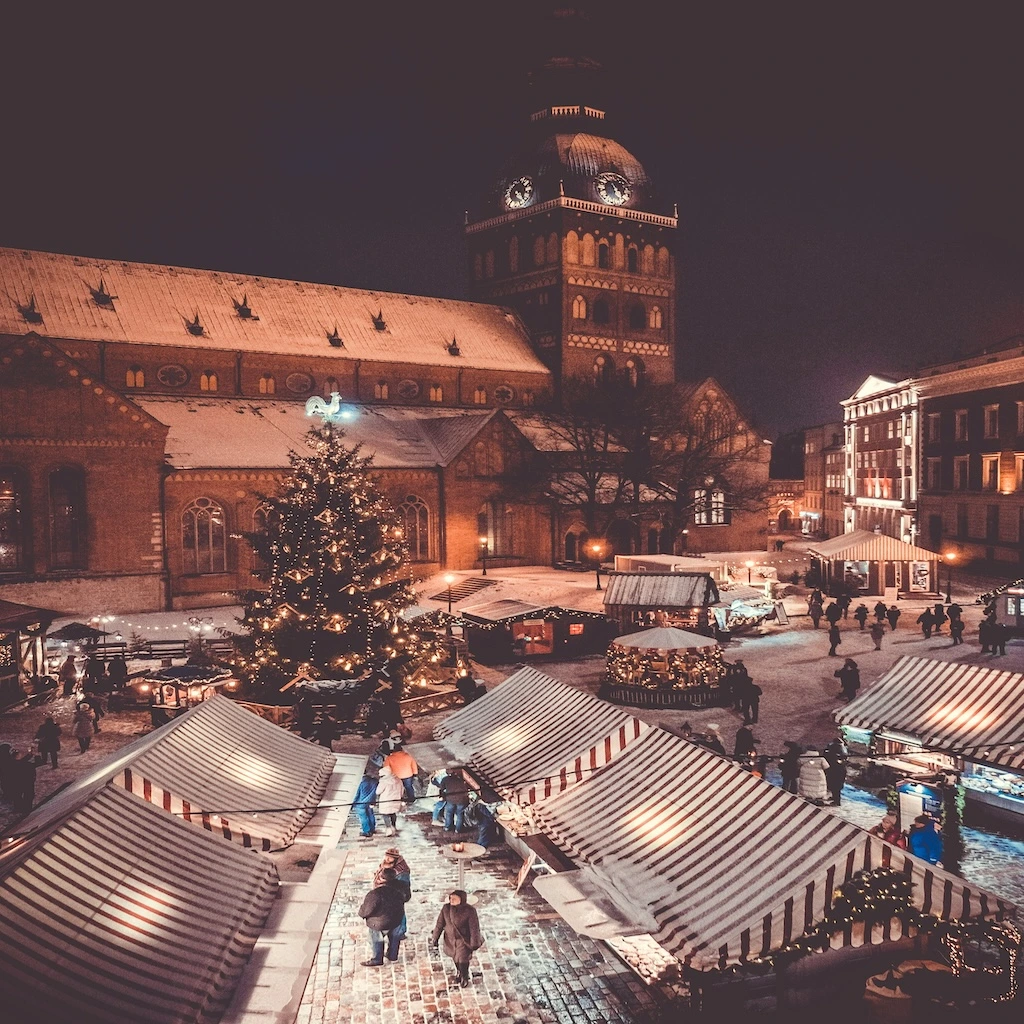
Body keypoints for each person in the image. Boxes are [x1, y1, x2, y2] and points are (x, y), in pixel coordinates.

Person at [358, 866, 410, 966]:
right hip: (396, 919)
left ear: (382, 878)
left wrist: (362, 914)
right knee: (395, 938)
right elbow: (406, 898)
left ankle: (377, 959)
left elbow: (367, 909)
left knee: (377, 940)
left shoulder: (375, 894)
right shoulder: (401, 887)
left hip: (379, 923)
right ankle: (392, 955)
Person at [431, 889, 483, 988]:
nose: (451, 900)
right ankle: (459, 970)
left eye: (454, 899)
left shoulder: (470, 911)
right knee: (455, 958)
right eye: (450, 898)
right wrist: (435, 937)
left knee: (462, 959)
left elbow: (474, 928)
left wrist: (474, 942)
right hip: (450, 940)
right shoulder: (446, 908)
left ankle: (464, 975)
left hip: (462, 940)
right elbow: (440, 924)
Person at [375, 847, 411, 940]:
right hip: (384, 893)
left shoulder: (402, 871)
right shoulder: (386, 864)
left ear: (395, 859)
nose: (387, 859)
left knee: (399, 912)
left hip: (395, 895)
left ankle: (400, 931)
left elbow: (403, 887)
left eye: (390, 857)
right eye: (386, 856)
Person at [439, 767, 473, 833]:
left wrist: (443, 797)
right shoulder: (462, 780)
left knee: (449, 813)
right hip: (462, 800)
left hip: (450, 799)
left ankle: (448, 827)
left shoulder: (445, 779)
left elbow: (441, 789)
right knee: (460, 814)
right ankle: (458, 829)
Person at [375, 765, 405, 838]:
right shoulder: (398, 779)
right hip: (396, 799)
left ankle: (388, 828)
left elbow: (378, 792)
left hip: (386, 800)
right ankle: (393, 826)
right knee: (393, 813)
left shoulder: (383, 782)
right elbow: (402, 789)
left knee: (385, 814)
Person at [353, 768, 379, 839]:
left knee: (363, 817)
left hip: (360, 803)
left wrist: (353, 803)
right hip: (371, 801)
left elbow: (356, 795)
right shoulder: (375, 781)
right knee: (371, 815)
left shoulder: (360, 783)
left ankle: (367, 831)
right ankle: (372, 829)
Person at [823, 738, 848, 806]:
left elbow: (828, 756)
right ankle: (835, 798)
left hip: (834, 770)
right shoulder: (843, 749)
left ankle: (837, 801)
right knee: (836, 786)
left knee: (835, 786)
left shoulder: (834, 748)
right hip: (840, 770)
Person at [12, 749, 36, 814]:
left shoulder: (12, 763)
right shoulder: (27, 765)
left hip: (17, 782)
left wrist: (29, 755)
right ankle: (26, 810)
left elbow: (21, 761)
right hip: (27, 782)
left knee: (17, 795)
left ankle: (18, 808)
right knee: (27, 796)